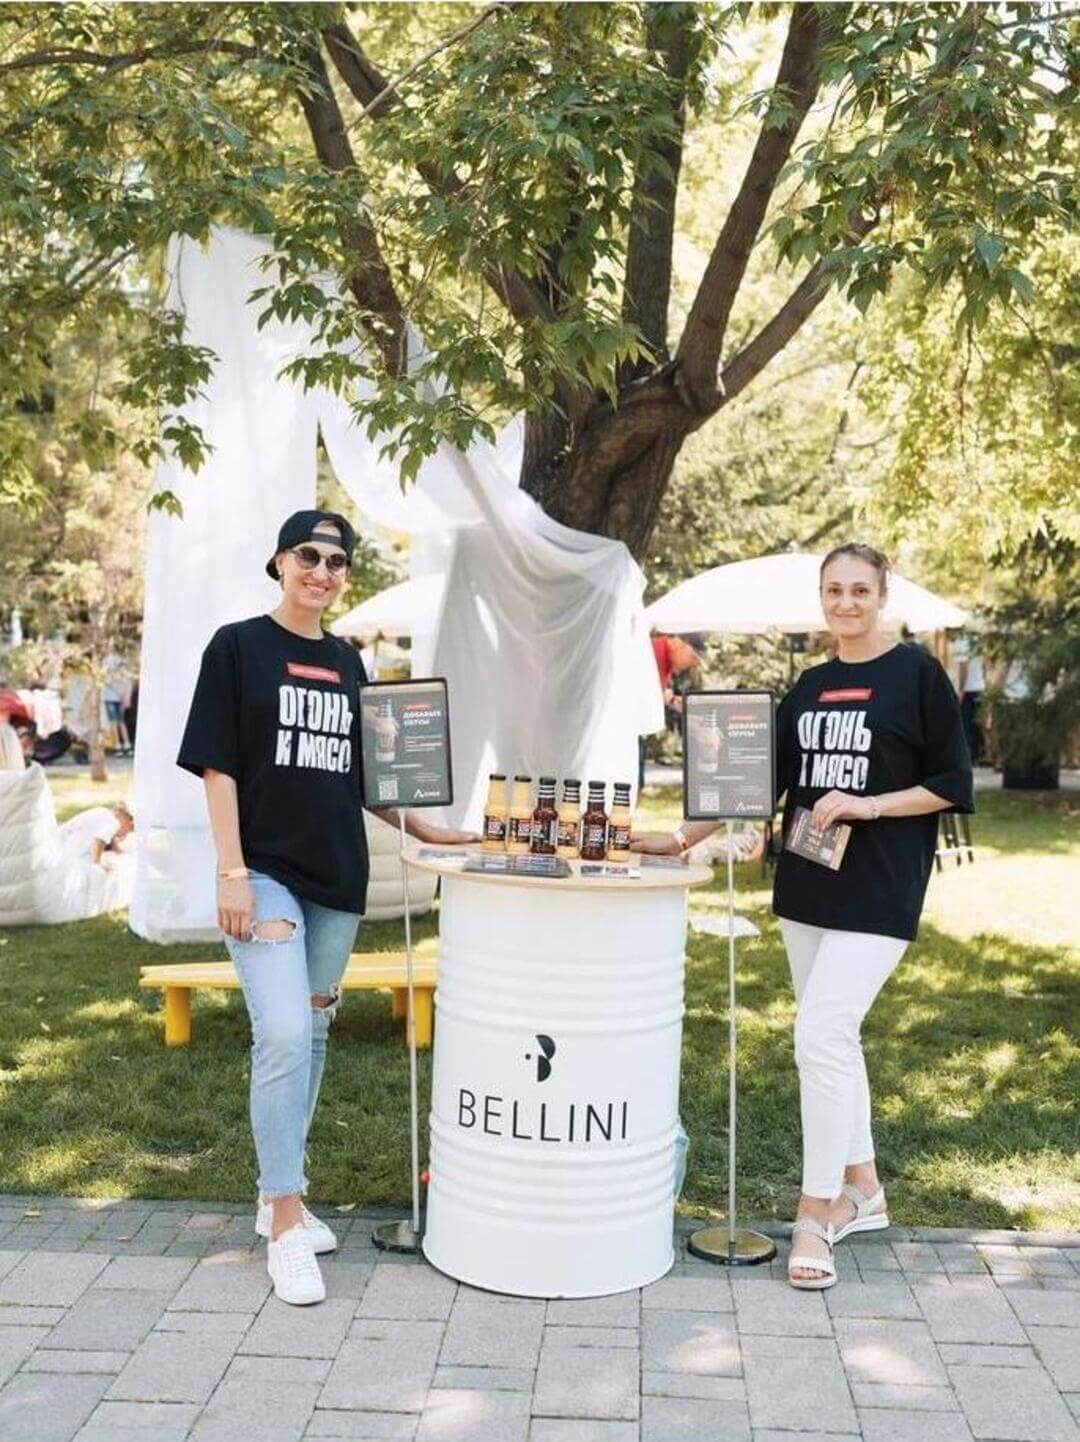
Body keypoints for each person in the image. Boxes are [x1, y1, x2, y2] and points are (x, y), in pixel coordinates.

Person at [634, 544, 973, 1290]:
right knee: (832, 1039)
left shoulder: (917, 674)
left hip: (882, 884)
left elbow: (952, 781)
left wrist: (869, 804)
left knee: (820, 1033)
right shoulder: (811, 686)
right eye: (834, 590)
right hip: (808, 883)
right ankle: (865, 1189)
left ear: (882, 595)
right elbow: (761, 778)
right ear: (822, 598)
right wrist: (682, 837)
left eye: (859, 590)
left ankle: (816, 1210)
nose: (846, 602)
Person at [177, 510, 476, 1307]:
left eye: (337, 561)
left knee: (310, 1034)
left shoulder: (348, 662)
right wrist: (232, 872)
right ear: (280, 561)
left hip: (338, 877)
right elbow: (217, 767)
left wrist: (432, 829)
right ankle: (284, 1222)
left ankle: (279, 1194)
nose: (322, 570)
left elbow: (370, 779)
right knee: (280, 1033)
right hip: (264, 873)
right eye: (308, 555)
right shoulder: (237, 648)